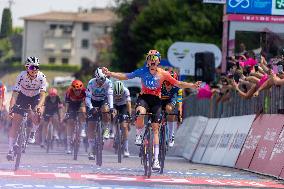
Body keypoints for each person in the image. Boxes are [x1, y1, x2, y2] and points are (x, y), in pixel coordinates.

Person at [102, 49, 201, 169]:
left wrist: (192, 85)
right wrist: (110, 74)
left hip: (156, 101)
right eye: (150, 59)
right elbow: (126, 76)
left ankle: (156, 160)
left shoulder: (163, 74)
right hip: (144, 98)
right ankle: (138, 135)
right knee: (140, 113)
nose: (152, 62)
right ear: (147, 61)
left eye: (154, 59)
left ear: (158, 61)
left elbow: (178, 83)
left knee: (155, 129)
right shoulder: (143, 71)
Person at [7, 56, 47, 160]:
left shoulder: (42, 77)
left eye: (36, 67)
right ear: (27, 68)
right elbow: (15, 94)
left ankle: (33, 132)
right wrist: (11, 107)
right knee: (15, 122)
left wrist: (39, 106)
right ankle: (10, 150)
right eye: (32, 67)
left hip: (35, 97)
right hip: (23, 96)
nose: (34, 70)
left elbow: (43, 95)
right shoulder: (21, 76)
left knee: (38, 115)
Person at [85, 68, 114, 160]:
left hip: (103, 101)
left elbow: (110, 95)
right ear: (96, 78)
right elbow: (88, 98)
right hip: (92, 102)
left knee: (106, 110)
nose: (102, 82)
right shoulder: (91, 83)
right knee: (91, 125)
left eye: (104, 79)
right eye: (100, 80)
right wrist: (91, 108)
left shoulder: (108, 82)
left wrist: (111, 107)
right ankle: (90, 148)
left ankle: (106, 129)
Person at [161, 70, 182, 147]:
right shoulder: (159, 85)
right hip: (160, 100)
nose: (169, 85)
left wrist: (179, 116)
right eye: (167, 82)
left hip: (170, 102)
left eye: (172, 83)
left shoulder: (178, 90)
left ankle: (171, 135)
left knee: (169, 109)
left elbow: (179, 104)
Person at [64, 80, 86, 154]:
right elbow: (67, 104)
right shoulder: (69, 92)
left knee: (83, 111)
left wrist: (86, 112)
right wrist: (66, 113)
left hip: (80, 105)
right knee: (70, 122)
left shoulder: (84, 91)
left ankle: (82, 129)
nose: (77, 91)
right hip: (72, 106)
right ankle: (68, 146)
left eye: (79, 90)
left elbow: (86, 103)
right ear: (73, 89)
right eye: (76, 90)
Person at [113, 81, 132, 157]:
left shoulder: (126, 90)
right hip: (114, 105)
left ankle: (126, 148)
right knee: (112, 115)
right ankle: (113, 132)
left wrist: (129, 115)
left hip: (123, 106)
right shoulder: (111, 91)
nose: (118, 97)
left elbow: (128, 104)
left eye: (119, 94)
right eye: (116, 95)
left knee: (124, 126)